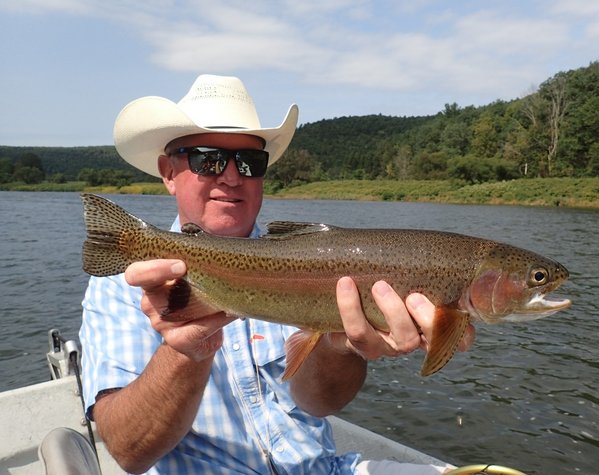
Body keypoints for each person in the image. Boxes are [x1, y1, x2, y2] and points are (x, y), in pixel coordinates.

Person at [80, 74, 474, 474]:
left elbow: (319, 403)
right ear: (167, 172)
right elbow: (129, 452)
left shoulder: (312, 260)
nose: (231, 176)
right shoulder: (123, 282)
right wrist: (187, 349)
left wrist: (339, 345)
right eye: (208, 159)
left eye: (250, 162)